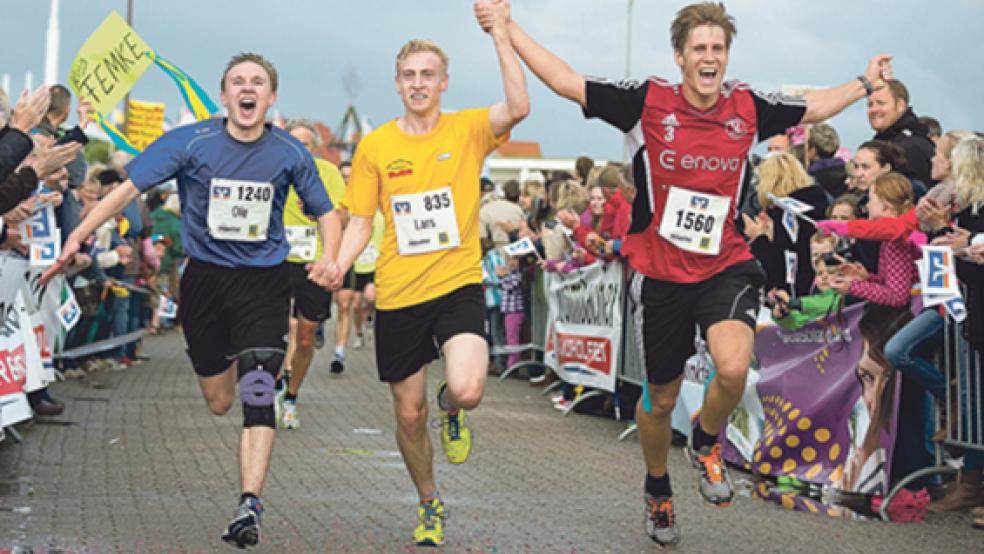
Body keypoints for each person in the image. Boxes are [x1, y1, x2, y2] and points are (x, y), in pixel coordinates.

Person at [488, 0, 894, 546]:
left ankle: (705, 441)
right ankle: (658, 487)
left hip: (724, 263)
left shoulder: (747, 105)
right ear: (680, 56)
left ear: (727, 56)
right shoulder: (645, 101)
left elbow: (813, 107)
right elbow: (565, 80)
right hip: (660, 274)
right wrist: (508, 28)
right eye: (699, 48)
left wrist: (863, 84)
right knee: (658, 399)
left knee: (733, 365)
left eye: (718, 49)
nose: (709, 58)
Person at [42, 52, 342, 549]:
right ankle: (238, 389)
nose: (248, 90)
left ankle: (250, 503)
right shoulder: (191, 141)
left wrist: (331, 257)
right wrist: (78, 234)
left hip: (264, 282)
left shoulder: (290, 152)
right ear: (225, 96)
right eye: (238, 82)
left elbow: (327, 213)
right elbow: (126, 189)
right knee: (220, 400)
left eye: (258, 83)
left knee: (259, 385)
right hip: (204, 282)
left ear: (270, 98)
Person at [328, 6, 528, 545]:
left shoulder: (467, 130)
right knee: (408, 414)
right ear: (398, 84)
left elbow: (519, 105)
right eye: (409, 76)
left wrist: (501, 35)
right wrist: (339, 264)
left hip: (457, 282)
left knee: (466, 388)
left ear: (444, 82)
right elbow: (362, 221)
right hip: (398, 293)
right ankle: (429, 500)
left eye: (427, 75)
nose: (418, 84)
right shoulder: (376, 147)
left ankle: (453, 410)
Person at [276, 118, 346, 429]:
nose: (298, 149)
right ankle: (273, 387)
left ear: (313, 147)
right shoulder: (272, 169)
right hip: (276, 260)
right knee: (273, 333)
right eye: (292, 143)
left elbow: (342, 215)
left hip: (313, 263)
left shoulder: (328, 173)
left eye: (305, 144)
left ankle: (291, 396)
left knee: (305, 338)